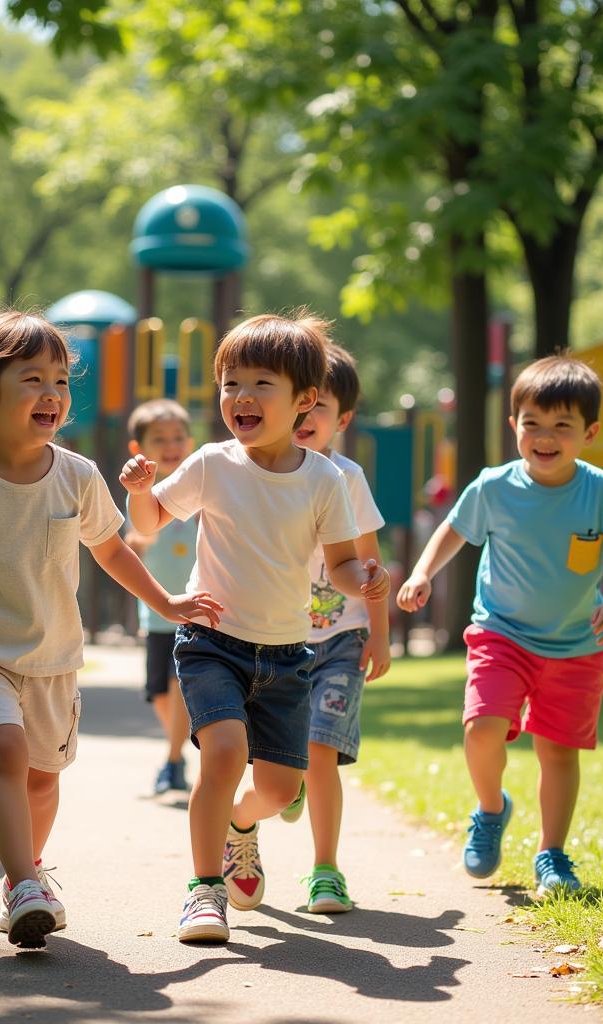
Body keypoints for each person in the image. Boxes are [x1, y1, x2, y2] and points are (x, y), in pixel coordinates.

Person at [0, 310, 221, 950]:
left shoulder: (77, 475)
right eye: (33, 379)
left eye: (61, 380)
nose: (52, 393)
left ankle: (23, 877)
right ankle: (25, 882)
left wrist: (166, 601)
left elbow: (111, 550)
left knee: (43, 778)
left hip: (54, 656)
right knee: (3, 752)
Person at [121, 311, 391, 943]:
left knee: (276, 789)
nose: (240, 396)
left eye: (260, 383)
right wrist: (140, 489)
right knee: (221, 753)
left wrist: (368, 581)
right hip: (211, 641)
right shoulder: (213, 464)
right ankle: (203, 890)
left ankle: (243, 827)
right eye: (229, 383)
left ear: (304, 402)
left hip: (286, 654)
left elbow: (345, 564)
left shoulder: (326, 480)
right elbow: (152, 521)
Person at [397, 355, 603, 897]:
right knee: (481, 726)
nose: (546, 436)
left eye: (563, 425)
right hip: (501, 633)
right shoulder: (494, 486)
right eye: (532, 422)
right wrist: (421, 571)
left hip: (577, 645)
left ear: (590, 432)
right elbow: (453, 530)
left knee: (558, 750)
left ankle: (552, 855)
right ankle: (492, 809)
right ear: (513, 426)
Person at [285, 343, 391, 914]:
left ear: (342, 419)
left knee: (322, 750)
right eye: (296, 403)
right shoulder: (258, 469)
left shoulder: (346, 478)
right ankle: (277, 789)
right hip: (275, 639)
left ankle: (325, 869)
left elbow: (371, 567)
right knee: (287, 761)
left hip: (341, 639)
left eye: (318, 406)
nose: (305, 417)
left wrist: (381, 633)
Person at [124, 399, 197, 795]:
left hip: (197, 612)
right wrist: (141, 539)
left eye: (177, 438)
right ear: (139, 448)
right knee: (158, 693)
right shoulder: (140, 492)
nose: (170, 445)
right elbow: (134, 542)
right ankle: (177, 751)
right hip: (156, 614)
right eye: (159, 439)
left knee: (179, 685)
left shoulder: (201, 486)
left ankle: (172, 760)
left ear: (190, 441)